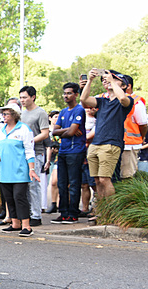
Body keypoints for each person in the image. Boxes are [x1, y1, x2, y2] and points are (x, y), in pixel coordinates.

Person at [80, 69, 134, 219]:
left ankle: (112, 213)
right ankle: (103, 212)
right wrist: (90, 80)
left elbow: (123, 99)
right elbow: (84, 100)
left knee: (105, 179)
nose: (106, 80)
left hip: (111, 144)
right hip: (96, 144)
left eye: (115, 79)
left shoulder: (126, 99)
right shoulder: (102, 101)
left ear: (123, 85)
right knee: (97, 180)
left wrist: (111, 80)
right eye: (105, 80)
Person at [0, 103, 39, 237]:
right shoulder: (2, 129)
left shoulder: (24, 129)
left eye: (6, 114)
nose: (4, 116)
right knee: (8, 197)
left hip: (19, 170)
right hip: (5, 170)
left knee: (19, 197)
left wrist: (31, 168)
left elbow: (29, 151)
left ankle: (26, 225)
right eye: (3, 114)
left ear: (14, 115)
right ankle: (15, 223)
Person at [50, 83, 86, 224]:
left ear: (76, 94)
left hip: (76, 151)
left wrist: (66, 131)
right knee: (62, 183)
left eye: (69, 93)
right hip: (63, 151)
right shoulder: (63, 112)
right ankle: (63, 213)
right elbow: (54, 131)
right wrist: (67, 130)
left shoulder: (79, 110)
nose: (66, 96)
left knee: (74, 183)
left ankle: (73, 213)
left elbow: (71, 132)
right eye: (65, 93)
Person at [19, 86, 50, 226]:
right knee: (23, 186)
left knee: (33, 185)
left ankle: (36, 215)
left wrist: (30, 140)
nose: (22, 100)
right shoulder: (21, 114)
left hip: (36, 153)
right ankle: (27, 214)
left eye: (25, 97)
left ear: (33, 97)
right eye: (21, 97)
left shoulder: (40, 113)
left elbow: (45, 133)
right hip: (22, 154)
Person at [121, 76, 147, 179]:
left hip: (129, 144)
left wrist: (141, 138)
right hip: (116, 143)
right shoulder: (110, 98)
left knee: (127, 177)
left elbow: (143, 125)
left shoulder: (137, 101)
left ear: (127, 85)